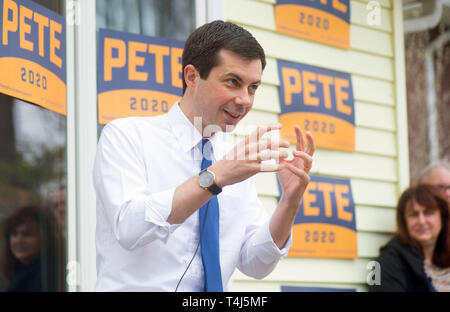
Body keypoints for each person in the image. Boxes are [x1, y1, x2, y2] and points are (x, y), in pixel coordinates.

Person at [93, 20, 315, 291]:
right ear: (192, 77)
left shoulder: (233, 158)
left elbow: (256, 264)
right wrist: (216, 177)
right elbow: (129, 228)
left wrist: (290, 202)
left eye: (253, 87)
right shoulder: (127, 135)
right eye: (233, 82)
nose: (245, 99)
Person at [369, 185, 450, 292]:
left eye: (428, 213)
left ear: (442, 217)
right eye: (414, 214)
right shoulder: (387, 262)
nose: (421, 221)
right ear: (404, 221)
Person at [1, 205, 64, 292]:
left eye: (27, 234)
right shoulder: (20, 273)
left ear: (46, 239)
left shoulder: (48, 276)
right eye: (14, 234)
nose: (18, 241)